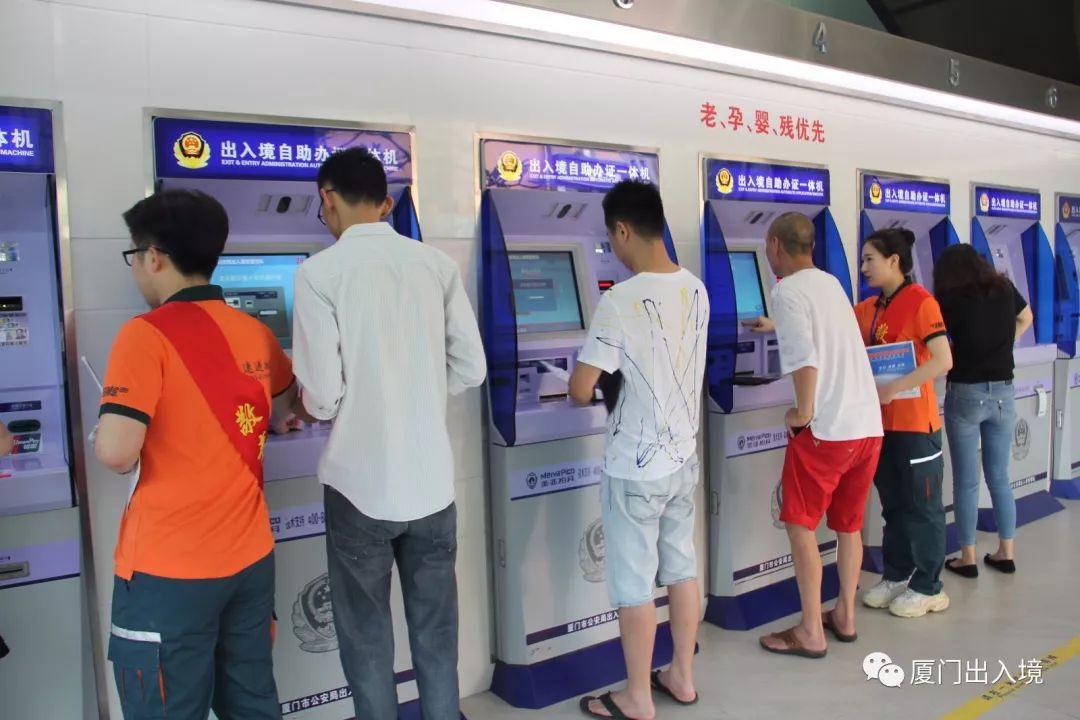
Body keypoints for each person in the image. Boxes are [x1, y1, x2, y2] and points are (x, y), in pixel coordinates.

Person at [292, 148, 486, 720]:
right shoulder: (435, 265)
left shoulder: (317, 274)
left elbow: (322, 396)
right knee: (436, 631)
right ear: (384, 202)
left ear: (328, 198)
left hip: (359, 488)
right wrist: (418, 388)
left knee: (367, 637)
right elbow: (472, 369)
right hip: (432, 487)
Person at [94, 189, 298, 719]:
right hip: (250, 559)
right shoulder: (255, 330)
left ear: (153, 257)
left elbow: (115, 452)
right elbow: (285, 409)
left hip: (169, 568)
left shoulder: (144, 335)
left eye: (133, 255)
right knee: (250, 701)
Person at [569, 180, 708, 720]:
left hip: (634, 468)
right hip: (683, 460)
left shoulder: (618, 300)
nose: (613, 247)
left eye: (611, 237)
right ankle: (682, 676)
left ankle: (637, 697)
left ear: (623, 230)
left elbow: (581, 387)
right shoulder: (696, 288)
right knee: (682, 568)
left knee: (634, 584)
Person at [746, 213, 883, 659]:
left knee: (800, 524)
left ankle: (810, 631)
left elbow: (806, 358)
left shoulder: (786, 290)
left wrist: (801, 413)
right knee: (849, 525)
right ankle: (845, 615)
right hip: (866, 426)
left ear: (775, 245)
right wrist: (775, 325)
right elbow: (826, 334)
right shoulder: (830, 283)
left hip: (828, 428)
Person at [853, 229, 953, 618]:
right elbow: (831, 326)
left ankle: (929, 586)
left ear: (894, 260)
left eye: (870, 259)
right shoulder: (871, 307)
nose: (864, 267)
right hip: (883, 426)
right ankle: (897, 574)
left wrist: (895, 387)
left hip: (916, 427)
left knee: (922, 507)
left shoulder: (922, 303)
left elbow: (943, 360)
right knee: (893, 505)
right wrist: (775, 323)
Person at [934, 244, 1033, 577]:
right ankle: (1006, 553)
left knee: (966, 482)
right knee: (1000, 477)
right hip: (1003, 392)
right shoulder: (1004, 288)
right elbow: (1027, 317)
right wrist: (1003, 343)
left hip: (966, 393)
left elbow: (935, 342)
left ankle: (968, 557)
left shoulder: (950, 299)